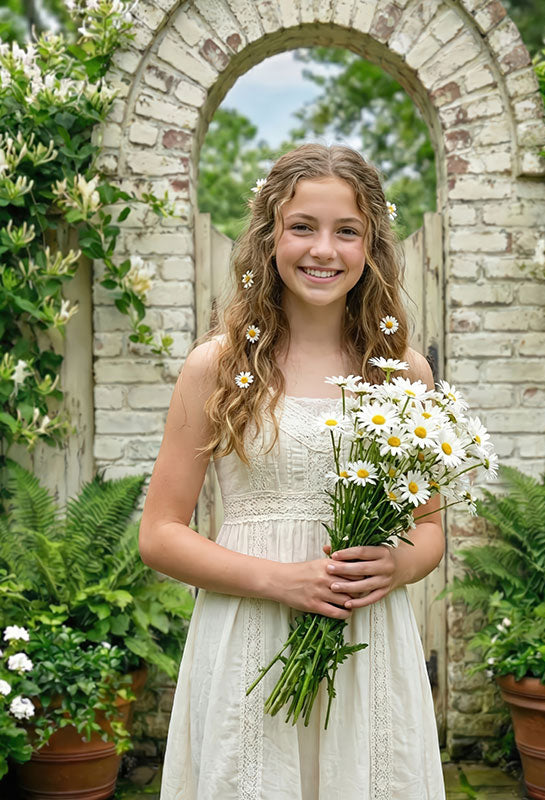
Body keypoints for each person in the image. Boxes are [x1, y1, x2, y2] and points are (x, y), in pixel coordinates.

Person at [139, 143, 446, 799]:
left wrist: (396, 565)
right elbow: (160, 533)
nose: (323, 250)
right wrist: (282, 581)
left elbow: (429, 529)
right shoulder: (217, 368)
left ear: (372, 247)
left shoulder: (402, 374)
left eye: (347, 231)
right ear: (269, 236)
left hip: (365, 633)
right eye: (302, 226)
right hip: (249, 634)